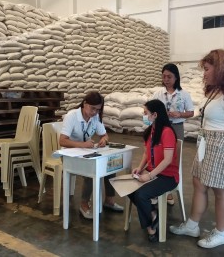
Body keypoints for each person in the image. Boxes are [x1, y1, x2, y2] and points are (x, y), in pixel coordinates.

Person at [169, 49, 224, 249]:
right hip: (207, 143)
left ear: (221, 68)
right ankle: (192, 225)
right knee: (199, 184)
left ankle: (220, 233)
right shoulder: (215, 91)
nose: (204, 73)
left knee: (220, 192)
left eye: (207, 69)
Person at [59, 91, 124, 219]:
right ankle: (84, 204)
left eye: (98, 110)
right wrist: (82, 145)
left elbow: (104, 134)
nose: (94, 112)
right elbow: (62, 141)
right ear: (84, 104)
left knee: (109, 164)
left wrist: (104, 140)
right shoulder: (72, 116)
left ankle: (109, 200)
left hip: (85, 152)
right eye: (92, 108)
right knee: (91, 170)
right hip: (69, 154)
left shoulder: (95, 118)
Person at [128, 99, 179, 242]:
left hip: (167, 177)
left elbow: (167, 160)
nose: (144, 115)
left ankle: (150, 226)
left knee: (141, 194)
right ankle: (152, 214)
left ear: (155, 114)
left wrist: (149, 176)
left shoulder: (167, 132)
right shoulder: (151, 131)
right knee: (128, 188)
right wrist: (140, 168)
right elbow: (146, 153)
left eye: (146, 113)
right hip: (152, 172)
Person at [153, 63, 194, 205]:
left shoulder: (184, 94)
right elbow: (149, 108)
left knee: (173, 159)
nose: (166, 79)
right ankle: (157, 189)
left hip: (176, 128)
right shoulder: (158, 94)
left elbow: (191, 112)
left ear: (176, 77)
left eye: (169, 76)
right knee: (159, 157)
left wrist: (180, 114)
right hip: (161, 128)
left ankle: (168, 192)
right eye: (164, 76)